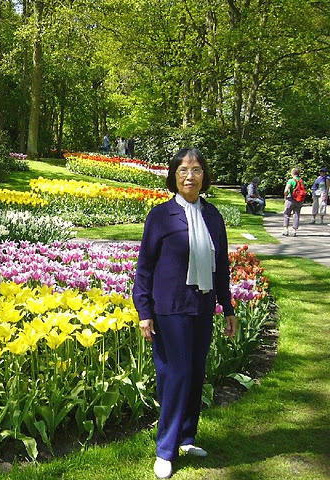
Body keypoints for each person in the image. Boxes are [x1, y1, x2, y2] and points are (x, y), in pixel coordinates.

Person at [133, 148, 237, 479]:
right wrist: (144, 310)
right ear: (174, 176)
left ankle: (187, 438)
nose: (189, 176)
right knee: (175, 375)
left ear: (204, 176)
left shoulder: (213, 216)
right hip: (169, 308)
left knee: (194, 373)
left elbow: (221, 266)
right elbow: (145, 267)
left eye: (196, 170)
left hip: (202, 307)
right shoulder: (161, 216)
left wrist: (228, 307)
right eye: (183, 170)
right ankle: (165, 450)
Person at [283, 167, 305, 236]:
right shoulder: (302, 181)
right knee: (296, 215)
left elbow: (286, 190)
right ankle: (294, 231)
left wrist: (285, 197)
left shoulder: (291, 181)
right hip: (299, 200)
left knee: (287, 214)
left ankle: (286, 230)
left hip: (291, 199)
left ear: (292, 173)